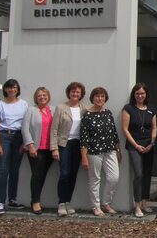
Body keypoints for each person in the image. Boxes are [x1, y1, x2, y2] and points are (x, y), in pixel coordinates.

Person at [80, 87, 122, 217]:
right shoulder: (87, 115)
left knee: (113, 177)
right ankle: (96, 206)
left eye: (102, 96)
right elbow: (84, 138)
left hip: (110, 151)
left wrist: (118, 150)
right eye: (97, 96)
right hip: (93, 152)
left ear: (105, 98)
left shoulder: (108, 113)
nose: (100, 99)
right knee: (95, 179)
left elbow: (114, 133)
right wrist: (84, 157)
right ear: (92, 98)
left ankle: (106, 203)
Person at [0, 79, 28, 215]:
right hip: (4, 136)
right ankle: (1, 202)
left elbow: (26, 124)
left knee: (14, 170)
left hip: (18, 137)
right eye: (9, 88)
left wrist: (25, 142)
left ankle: (12, 199)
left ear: (17, 89)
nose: (12, 90)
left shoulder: (23, 104)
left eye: (14, 87)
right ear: (5, 89)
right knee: (3, 171)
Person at [51, 82, 88, 217]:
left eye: (77, 92)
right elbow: (54, 129)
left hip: (78, 145)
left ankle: (68, 201)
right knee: (64, 173)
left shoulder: (85, 109)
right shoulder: (61, 108)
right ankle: (61, 202)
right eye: (73, 91)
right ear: (69, 93)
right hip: (64, 145)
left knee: (73, 174)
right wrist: (54, 148)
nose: (75, 94)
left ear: (81, 94)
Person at [122, 83, 157, 218]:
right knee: (139, 174)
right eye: (137, 94)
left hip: (149, 145)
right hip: (134, 146)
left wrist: (152, 143)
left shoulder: (152, 109)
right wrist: (136, 145)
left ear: (146, 94)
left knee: (147, 174)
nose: (140, 96)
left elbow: (154, 128)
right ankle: (137, 206)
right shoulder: (128, 108)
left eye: (142, 93)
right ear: (134, 95)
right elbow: (125, 129)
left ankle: (144, 202)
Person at [21, 87, 54, 214]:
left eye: (44, 95)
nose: (42, 97)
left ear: (48, 96)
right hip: (36, 149)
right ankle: (35, 202)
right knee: (37, 175)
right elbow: (25, 129)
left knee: (43, 175)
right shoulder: (31, 110)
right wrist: (30, 146)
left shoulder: (52, 110)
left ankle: (36, 200)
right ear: (36, 97)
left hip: (49, 149)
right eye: (39, 95)